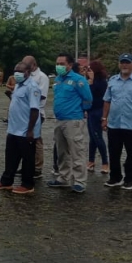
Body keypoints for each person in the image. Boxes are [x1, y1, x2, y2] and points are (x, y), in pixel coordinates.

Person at [101, 54, 132, 190]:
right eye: (122, 62)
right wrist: (104, 118)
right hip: (115, 123)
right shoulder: (112, 80)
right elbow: (107, 100)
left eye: (127, 63)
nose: (125, 65)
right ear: (119, 64)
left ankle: (130, 179)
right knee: (113, 152)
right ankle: (115, 177)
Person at [0, 62, 41, 194]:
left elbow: (35, 110)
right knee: (11, 156)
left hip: (25, 130)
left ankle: (27, 184)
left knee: (27, 159)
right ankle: (6, 181)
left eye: (20, 71)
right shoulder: (18, 85)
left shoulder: (32, 87)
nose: (17, 73)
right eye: (15, 70)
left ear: (28, 72)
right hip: (13, 129)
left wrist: (30, 130)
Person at [47, 53, 93, 193]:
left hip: (73, 120)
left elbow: (88, 98)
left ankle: (80, 181)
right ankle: (63, 177)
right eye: (57, 63)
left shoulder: (78, 80)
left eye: (62, 63)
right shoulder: (58, 80)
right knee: (62, 151)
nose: (59, 66)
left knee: (77, 151)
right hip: (59, 120)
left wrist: (80, 111)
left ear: (70, 65)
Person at [22, 56, 49, 178]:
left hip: (37, 112)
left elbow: (41, 96)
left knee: (36, 139)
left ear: (33, 65)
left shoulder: (42, 77)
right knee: (25, 140)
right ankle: (27, 165)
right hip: (24, 113)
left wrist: (27, 98)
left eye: (27, 67)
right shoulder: (26, 76)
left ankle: (38, 167)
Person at [86, 61, 109, 174]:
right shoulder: (92, 81)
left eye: (90, 70)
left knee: (98, 137)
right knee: (92, 138)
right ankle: (91, 161)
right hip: (90, 111)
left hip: (98, 111)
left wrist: (90, 81)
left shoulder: (101, 83)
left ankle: (105, 163)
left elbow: (90, 94)